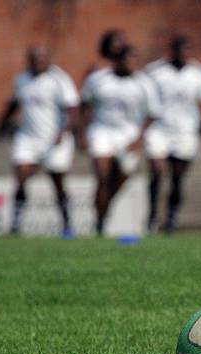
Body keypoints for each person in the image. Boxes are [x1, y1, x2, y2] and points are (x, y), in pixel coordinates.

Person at [0, 45, 79, 237]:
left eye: (41, 58)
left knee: (57, 183)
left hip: (54, 139)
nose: (37, 61)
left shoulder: (60, 79)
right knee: (21, 176)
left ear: (48, 59)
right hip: (28, 138)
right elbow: (14, 103)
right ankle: (15, 225)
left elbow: (73, 109)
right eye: (34, 58)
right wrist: (0, 124)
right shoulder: (22, 79)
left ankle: (67, 225)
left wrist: (63, 131)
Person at [81, 45, 160, 235]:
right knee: (102, 176)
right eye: (128, 61)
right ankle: (100, 224)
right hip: (102, 131)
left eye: (135, 61)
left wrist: (139, 138)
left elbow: (153, 113)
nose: (132, 65)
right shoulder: (99, 79)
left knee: (118, 181)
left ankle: (103, 209)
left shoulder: (144, 82)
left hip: (129, 135)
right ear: (117, 61)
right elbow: (84, 104)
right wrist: (82, 132)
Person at [144, 35, 201, 232]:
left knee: (177, 177)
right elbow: (143, 98)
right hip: (159, 129)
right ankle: (151, 215)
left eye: (187, 50)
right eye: (180, 50)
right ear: (172, 51)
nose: (184, 54)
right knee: (158, 171)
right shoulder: (155, 71)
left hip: (186, 131)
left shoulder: (199, 73)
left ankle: (171, 217)